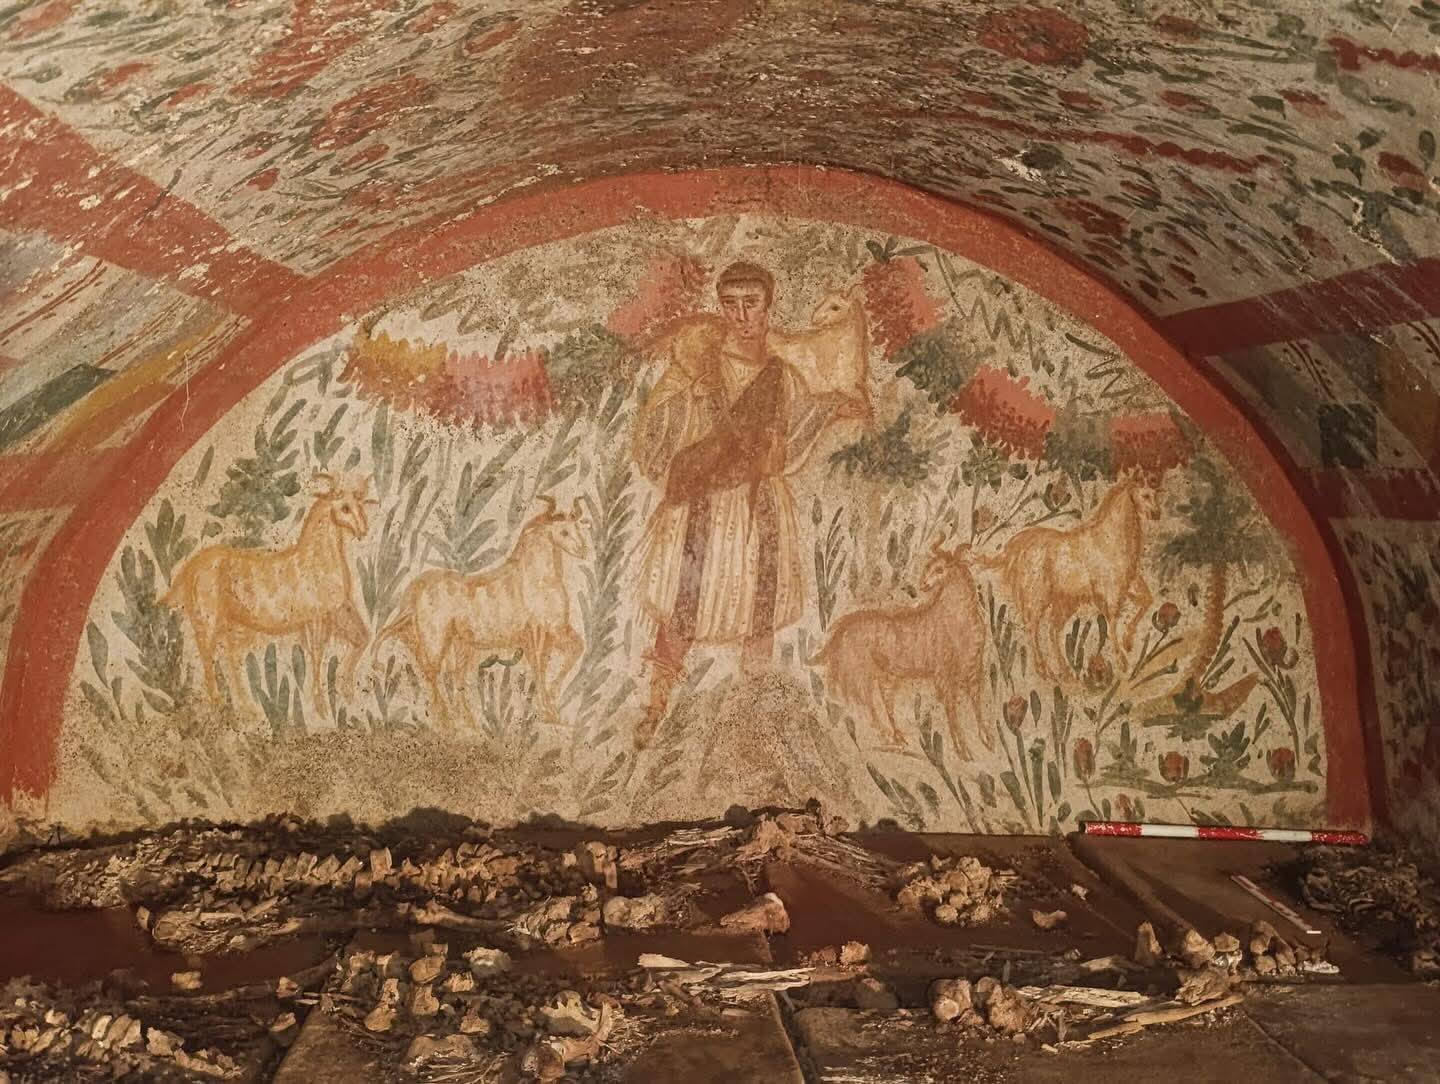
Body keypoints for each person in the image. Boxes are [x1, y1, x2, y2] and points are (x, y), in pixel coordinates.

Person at [630, 261, 865, 747]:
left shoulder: (782, 375)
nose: (740, 316)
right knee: (682, 604)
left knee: (761, 606)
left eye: (750, 304)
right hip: (702, 504)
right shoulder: (699, 366)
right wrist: (691, 398)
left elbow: (793, 430)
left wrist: (832, 411)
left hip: (760, 506)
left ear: (767, 307)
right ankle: (655, 707)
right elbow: (654, 430)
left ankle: (753, 714)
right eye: (730, 305)